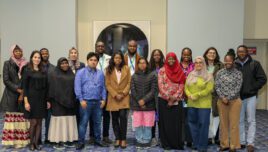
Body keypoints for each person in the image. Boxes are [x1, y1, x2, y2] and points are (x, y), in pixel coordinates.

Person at [235, 45, 267, 152]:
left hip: (251, 97)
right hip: (238, 98)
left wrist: (253, 88)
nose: (241, 53)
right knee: (239, 120)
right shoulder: (234, 65)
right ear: (237, 53)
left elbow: (263, 78)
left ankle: (250, 143)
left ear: (247, 52)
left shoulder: (255, 64)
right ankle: (242, 142)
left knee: (251, 120)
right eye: (239, 52)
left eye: (243, 51)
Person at [75, 52, 108, 150]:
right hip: (85, 102)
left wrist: (104, 99)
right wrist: (81, 100)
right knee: (83, 123)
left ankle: (98, 140)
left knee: (98, 123)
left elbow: (103, 87)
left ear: (97, 62)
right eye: (91, 60)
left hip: (97, 103)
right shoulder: (80, 72)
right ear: (87, 60)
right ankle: (81, 142)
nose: (93, 62)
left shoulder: (100, 73)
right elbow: (77, 87)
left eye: (95, 60)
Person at [1, 44, 29, 149]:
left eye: (20, 51)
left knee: (22, 119)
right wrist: (17, 89)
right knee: (12, 119)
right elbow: (6, 80)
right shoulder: (7, 63)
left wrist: (23, 92)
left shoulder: (26, 64)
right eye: (16, 51)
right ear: (12, 52)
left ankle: (21, 141)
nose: (18, 53)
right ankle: (11, 142)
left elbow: (27, 79)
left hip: (24, 95)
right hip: (11, 95)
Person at [215, 49, 243, 152]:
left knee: (234, 124)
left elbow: (238, 87)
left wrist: (228, 97)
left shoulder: (238, 73)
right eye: (226, 61)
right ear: (224, 61)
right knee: (223, 124)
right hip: (222, 101)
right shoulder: (219, 73)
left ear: (233, 61)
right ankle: (224, 144)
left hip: (234, 101)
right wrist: (222, 97)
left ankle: (234, 146)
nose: (228, 63)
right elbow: (217, 86)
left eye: (229, 61)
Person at [47, 57, 78, 149]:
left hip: (70, 102)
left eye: (66, 63)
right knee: (59, 122)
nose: (64, 65)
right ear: (58, 65)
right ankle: (57, 141)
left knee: (68, 121)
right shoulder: (54, 74)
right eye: (62, 63)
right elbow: (51, 89)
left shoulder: (71, 74)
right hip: (58, 103)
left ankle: (67, 140)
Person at [185, 56, 214, 152]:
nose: (198, 64)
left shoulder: (208, 75)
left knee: (203, 124)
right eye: (196, 62)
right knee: (192, 124)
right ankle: (196, 143)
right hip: (191, 103)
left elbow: (209, 89)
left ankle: (202, 146)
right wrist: (189, 95)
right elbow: (186, 87)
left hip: (204, 105)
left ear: (204, 64)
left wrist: (197, 95)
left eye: (200, 62)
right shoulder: (190, 74)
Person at [22, 50, 50, 151]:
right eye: (35, 57)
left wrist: (47, 100)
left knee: (39, 122)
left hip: (42, 99)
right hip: (31, 100)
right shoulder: (27, 70)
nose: (37, 59)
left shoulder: (43, 71)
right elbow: (25, 88)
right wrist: (26, 102)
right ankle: (31, 143)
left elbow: (47, 87)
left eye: (38, 58)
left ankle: (36, 143)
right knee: (33, 122)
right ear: (31, 58)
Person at [158, 52, 185, 150]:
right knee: (165, 123)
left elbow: (182, 84)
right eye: (169, 59)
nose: (171, 60)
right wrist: (168, 97)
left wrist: (175, 97)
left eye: (173, 58)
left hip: (177, 100)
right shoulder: (162, 70)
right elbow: (160, 85)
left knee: (176, 123)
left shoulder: (180, 70)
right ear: (166, 60)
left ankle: (176, 143)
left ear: (176, 59)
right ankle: (166, 144)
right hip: (164, 100)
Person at [105, 51, 131, 149]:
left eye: (119, 58)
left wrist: (123, 93)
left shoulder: (126, 68)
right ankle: (117, 138)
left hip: (124, 97)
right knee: (115, 119)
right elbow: (107, 84)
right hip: (113, 98)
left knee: (123, 118)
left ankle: (123, 139)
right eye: (116, 58)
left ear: (122, 59)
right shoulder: (109, 69)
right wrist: (115, 94)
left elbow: (129, 82)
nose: (118, 60)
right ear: (113, 59)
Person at [89, 41, 112, 145]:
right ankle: (92, 136)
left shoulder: (109, 58)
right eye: (98, 46)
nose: (100, 47)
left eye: (102, 46)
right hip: (94, 90)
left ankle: (106, 136)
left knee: (106, 115)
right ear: (95, 47)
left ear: (104, 47)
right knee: (92, 114)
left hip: (106, 90)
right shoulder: (91, 58)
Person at [131, 57, 157, 148]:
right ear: (137, 65)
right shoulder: (134, 76)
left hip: (149, 105)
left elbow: (153, 90)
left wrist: (144, 100)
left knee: (148, 124)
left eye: (144, 63)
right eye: (140, 63)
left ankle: (146, 141)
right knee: (138, 124)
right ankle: (139, 140)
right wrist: (139, 101)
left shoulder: (153, 75)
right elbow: (133, 90)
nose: (142, 64)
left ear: (147, 64)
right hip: (136, 104)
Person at [203, 47, 224, 145]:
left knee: (216, 116)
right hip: (204, 95)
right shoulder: (201, 65)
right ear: (206, 54)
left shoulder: (221, 65)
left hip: (216, 95)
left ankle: (216, 138)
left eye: (214, 53)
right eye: (210, 52)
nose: (212, 54)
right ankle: (207, 137)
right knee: (206, 116)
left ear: (216, 55)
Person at [148, 49, 165, 146]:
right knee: (152, 118)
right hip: (152, 96)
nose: (157, 56)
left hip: (162, 96)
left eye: (158, 54)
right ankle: (153, 137)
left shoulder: (165, 67)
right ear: (152, 56)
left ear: (161, 56)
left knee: (162, 118)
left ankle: (161, 138)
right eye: (155, 55)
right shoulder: (149, 67)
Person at [40, 48, 55, 144]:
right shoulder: (36, 67)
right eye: (43, 53)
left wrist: (49, 99)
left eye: (46, 53)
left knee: (49, 120)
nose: (45, 55)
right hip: (38, 98)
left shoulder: (54, 68)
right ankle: (37, 139)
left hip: (50, 98)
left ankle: (48, 138)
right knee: (37, 120)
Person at [180, 47, 194, 148]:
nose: (186, 56)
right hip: (179, 96)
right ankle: (181, 139)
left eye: (188, 55)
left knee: (190, 119)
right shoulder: (177, 66)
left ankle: (189, 140)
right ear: (181, 55)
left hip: (191, 96)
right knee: (180, 119)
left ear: (190, 55)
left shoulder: (194, 66)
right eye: (184, 55)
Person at [68, 47, 85, 128]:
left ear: (77, 55)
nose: (73, 54)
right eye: (72, 53)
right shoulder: (65, 65)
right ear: (69, 54)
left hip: (79, 94)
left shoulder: (82, 65)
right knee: (70, 115)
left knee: (79, 114)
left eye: (75, 53)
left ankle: (78, 134)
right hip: (69, 93)